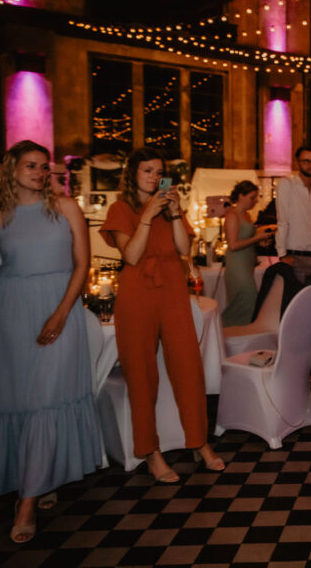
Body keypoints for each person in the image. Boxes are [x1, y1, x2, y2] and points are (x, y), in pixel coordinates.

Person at [0, 140, 101, 543]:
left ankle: (27, 501)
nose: (39, 172)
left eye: (43, 167)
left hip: (59, 309)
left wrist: (63, 312)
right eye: (30, 166)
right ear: (11, 169)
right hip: (11, 312)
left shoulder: (65, 207)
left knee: (48, 398)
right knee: (20, 401)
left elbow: (83, 265)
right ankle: (38, 480)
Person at [100, 147, 225, 482]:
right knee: (141, 376)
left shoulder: (170, 207)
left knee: (188, 367)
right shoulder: (120, 208)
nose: (154, 177)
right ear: (133, 174)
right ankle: (150, 451)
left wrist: (172, 214)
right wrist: (146, 215)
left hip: (172, 288)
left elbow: (185, 250)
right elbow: (131, 255)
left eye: (159, 172)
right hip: (137, 293)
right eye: (147, 171)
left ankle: (199, 442)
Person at [222, 181, 275, 327]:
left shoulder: (246, 215)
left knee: (246, 301)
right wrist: (257, 238)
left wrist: (259, 242)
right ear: (241, 196)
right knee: (248, 299)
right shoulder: (232, 215)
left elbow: (246, 240)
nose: (255, 201)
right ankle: (228, 330)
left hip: (246, 264)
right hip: (237, 265)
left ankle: (240, 332)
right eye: (252, 197)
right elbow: (233, 245)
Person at [276, 145, 311, 285]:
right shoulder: (286, 184)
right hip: (294, 255)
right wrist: (282, 255)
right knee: (295, 302)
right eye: (306, 161)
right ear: (297, 162)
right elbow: (282, 220)